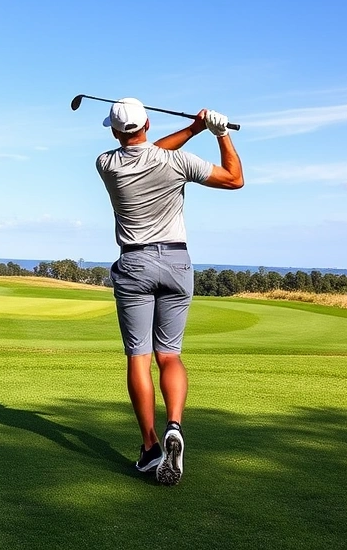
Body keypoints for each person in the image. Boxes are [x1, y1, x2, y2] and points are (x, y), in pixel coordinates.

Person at [95, 97, 243, 485]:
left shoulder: (106, 164)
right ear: (147, 124)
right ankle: (174, 424)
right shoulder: (177, 162)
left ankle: (149, 447)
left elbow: (148, 151)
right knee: (169, 355)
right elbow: (234, 178)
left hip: (134, 264)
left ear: (113, 131)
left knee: (138, 358)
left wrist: (194, 130)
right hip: (177, 263)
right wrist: (219, 133)